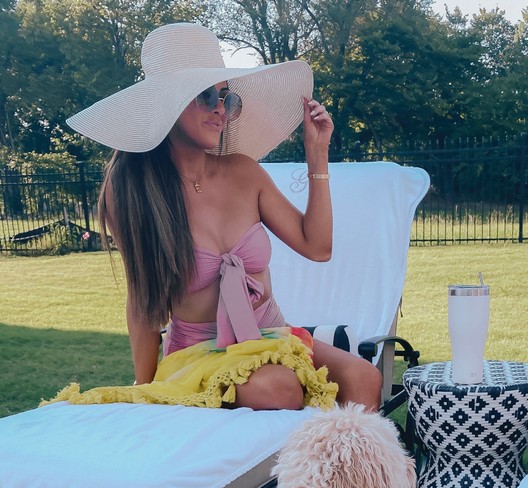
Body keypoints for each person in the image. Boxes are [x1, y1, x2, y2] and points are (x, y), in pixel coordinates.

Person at [54, 22, 382, 412]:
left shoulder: (243, 173)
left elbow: (318, 247)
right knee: (278, 387)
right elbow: (141, 302)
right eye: (206, 95)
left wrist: (318, 155)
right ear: (169, 104)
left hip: (272, 336)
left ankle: (348, 473)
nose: (220, 109)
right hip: (200, 352)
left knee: (365, 376)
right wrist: (145, 388)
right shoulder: (133, 194)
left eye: (227, 98)